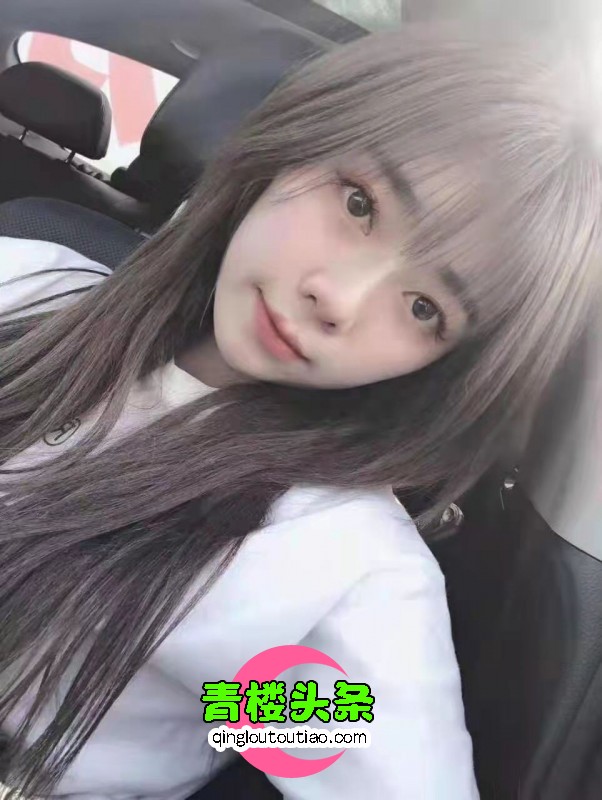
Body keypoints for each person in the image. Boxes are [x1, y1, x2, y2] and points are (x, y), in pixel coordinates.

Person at [0, 24, 601, 800]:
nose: (339, 299)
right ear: (299, 140)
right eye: (360, 204)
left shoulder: (326, 565)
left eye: (425, 308)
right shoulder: (33, 280)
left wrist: (230, 703)